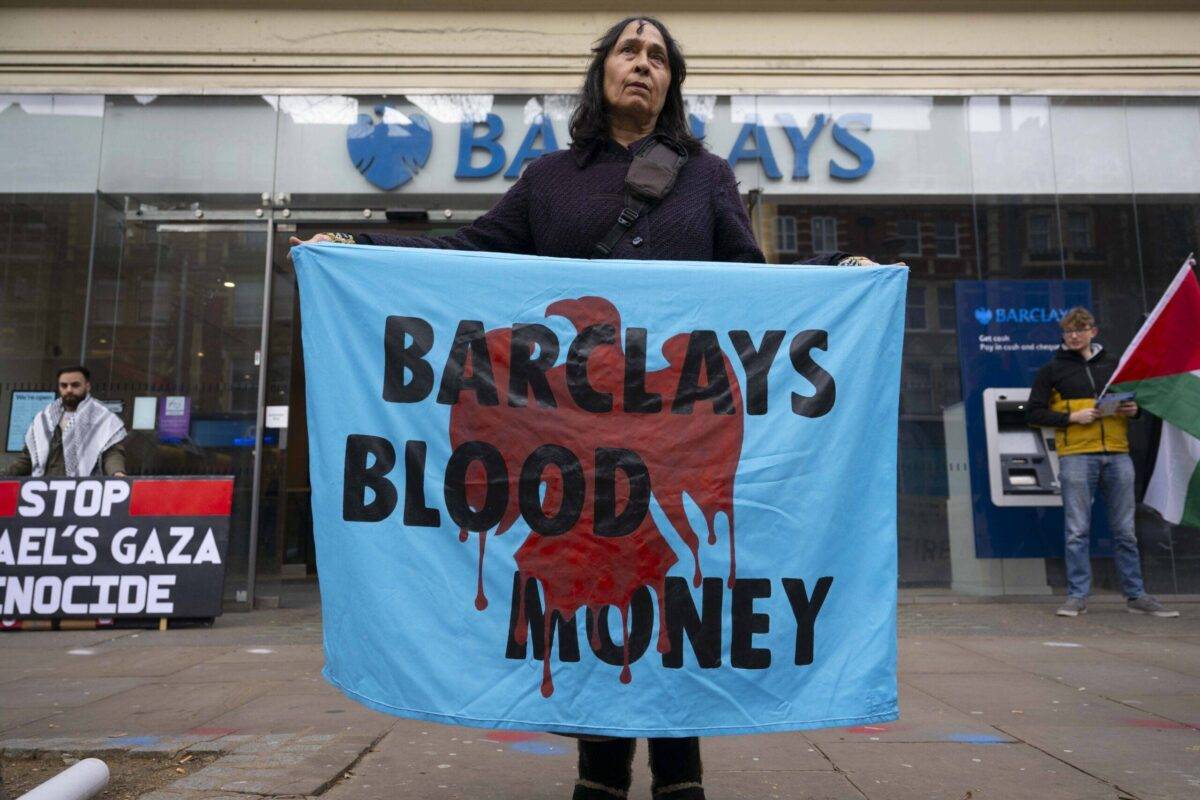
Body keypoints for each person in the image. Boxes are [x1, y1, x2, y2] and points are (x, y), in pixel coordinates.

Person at [293, 16, 875, 800]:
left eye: (658, 57)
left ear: (672, 82)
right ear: (602, 71)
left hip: (666, 444)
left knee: (671, 599)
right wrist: (361, 253)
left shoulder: (704, 177)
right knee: (588, 604)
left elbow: (752, 287)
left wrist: (841, 275)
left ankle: (680, 779)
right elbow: (474, 251)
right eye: (629, 52)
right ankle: (598, 777)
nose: (643, 65)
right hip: (570, 448)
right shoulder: (550, 178)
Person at [1026, 307, 1177, 619]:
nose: (1074, 335)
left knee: (1125, 531)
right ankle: (1077, 596)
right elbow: (1033, 414)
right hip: (1077, 455)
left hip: (1117, 454)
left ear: (1093, 331)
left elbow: (1139, 408)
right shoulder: (1052, 371)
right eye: (1069, 331)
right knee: (1076, 530)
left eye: (1080, 329)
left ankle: (1135, 595)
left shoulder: (1115, 367)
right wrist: (1072, 417)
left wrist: (1133, 410)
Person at [4, 365, 127, 478]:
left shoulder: (102, 418)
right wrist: (5, 475)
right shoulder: (44, 419)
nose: (69, 390)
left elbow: (112, 453)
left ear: (87, 386)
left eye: (75, 385)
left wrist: (117, 473)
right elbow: (28, 457)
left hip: (83, 492)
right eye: (64, 385)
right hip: (45, 492)